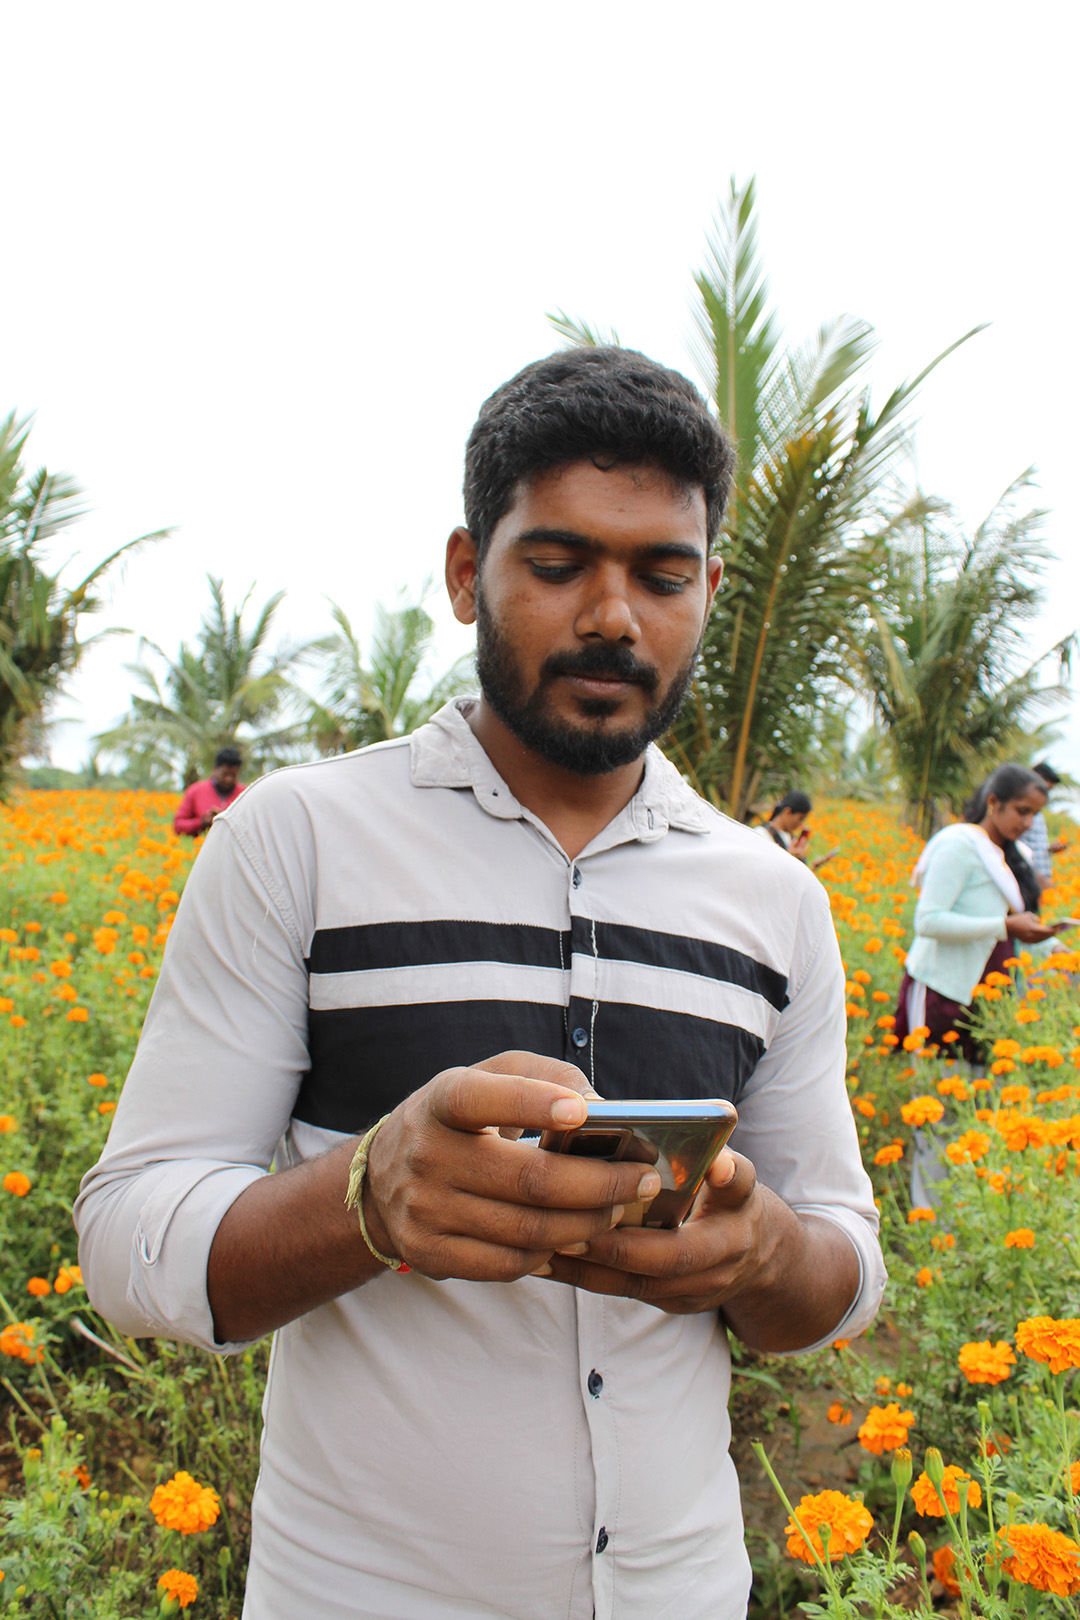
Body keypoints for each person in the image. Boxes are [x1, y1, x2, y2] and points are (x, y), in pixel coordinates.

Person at [76, 347, 884, 1620]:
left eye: (663, 576)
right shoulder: (298, 842)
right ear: (468, 574)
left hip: (686, 1590)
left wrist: (766, 1253)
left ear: (712, 590)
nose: (614, 617)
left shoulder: (776, 901)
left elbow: (842, 1265)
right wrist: (369, 1195)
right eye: (559, 566)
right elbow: (128, 1240)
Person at [894, 763, 1057, 1063]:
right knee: (933, 1083)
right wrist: (1004, 927)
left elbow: (1014, 919)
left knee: (974, 1088)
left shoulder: (1012, 855)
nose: (1029, 822)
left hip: (989, 992)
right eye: (1022, 811)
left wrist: (1056, 947)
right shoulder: (959, 846)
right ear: (993, 803)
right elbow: (928, 921)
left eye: (1035, 814)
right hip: (942, 988)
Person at [755, 790, 837, 870]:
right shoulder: (760, 834)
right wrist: (789, 859)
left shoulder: (791, 838)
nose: (801, 824)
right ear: (787, 812)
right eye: (800, 818)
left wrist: (813, 867)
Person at [173, 747, 245, 836]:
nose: (228, 779)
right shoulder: (195, 791)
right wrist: (202, 822)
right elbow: (178, 826)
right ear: (215, 769)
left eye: (233, 775)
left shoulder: (245, 794)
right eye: (225, 774)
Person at [1026, 761, 1069, 888]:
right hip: (1028, 880)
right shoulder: (1020, 815)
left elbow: (1033, 846)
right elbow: (1015, 850)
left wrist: (1050, 849)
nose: (1046, 795)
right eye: (1044, 789)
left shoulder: (1039, 816)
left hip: (1040, 881)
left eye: (1048, 791)